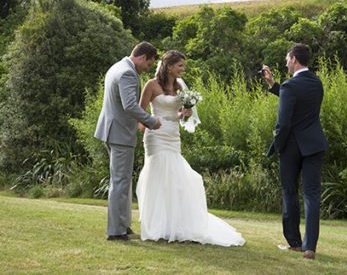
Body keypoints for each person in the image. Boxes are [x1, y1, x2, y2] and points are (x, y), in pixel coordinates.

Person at [136, 50, 245, 247]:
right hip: (155, 137)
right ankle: (157, 225)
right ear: (169, 66)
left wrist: (184, 114)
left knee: (176, 178)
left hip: (173, 136)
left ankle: (174, 224)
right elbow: (140, 115)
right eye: (180, 66)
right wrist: (150, 124)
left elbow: (186, 118)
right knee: (157, 176)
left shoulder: (180, 87)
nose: (183, 70)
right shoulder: (151, 85)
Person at [262, 43, 328, 259]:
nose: (285, 62)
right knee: (312, 195)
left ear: (293, 59)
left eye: (286, 58)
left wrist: (278, 146)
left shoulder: (291, 86)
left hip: (292, 147)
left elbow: (284, 123)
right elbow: (295, 98)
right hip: (314, 145)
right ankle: (310, 247)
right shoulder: (316, 83)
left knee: (289, 192)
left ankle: (295, 243)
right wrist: (273, 85)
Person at [94, 41, 161, 241]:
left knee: (123, 180)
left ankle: (122, 224)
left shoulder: (117, 66)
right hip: (120, 134)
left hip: (110, 130)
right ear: (142, 57)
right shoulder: (128, 73)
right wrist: (150, 121)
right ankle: (116, 231)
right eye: (148, 65)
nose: (147, 69)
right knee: (120, 182)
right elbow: (130, 105)